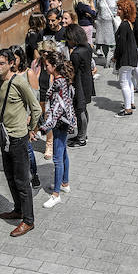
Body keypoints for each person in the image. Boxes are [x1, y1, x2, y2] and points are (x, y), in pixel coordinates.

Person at [0, 48, 42, 237]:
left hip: (18, 138)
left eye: (2, 63)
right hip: (4, 137)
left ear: (12, 63)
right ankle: (18, 209)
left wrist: (31, 130)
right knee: (10, 176)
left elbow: (35, 108)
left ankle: (28, 221)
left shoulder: (19, 81)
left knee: (22, 180)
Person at [36, 50, 76, 209]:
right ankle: (65, 183)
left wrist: (42, 130)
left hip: (60, 124)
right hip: (64, 122)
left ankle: (56, 195)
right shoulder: (64, 80)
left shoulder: (59, 83)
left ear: (54, 66)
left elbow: (56, 110)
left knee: (57, 159)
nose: (45, 68)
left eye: (47, 65)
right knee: (63, 152)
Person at [11, 44, 42, 189]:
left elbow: (35, 97)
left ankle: (33, 174)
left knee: (27, 148)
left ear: (21, 58)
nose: (12, 62)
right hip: (11, 118)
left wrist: (31, 118)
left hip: (25, 118)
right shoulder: (7, 74)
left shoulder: (28, 73)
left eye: (15, 59)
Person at [63, 24, 94, 148]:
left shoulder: (76, 53)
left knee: (79, 110)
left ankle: (81, 138)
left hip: (79, 84)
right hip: (87, 81)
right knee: (83, 108)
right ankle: (83, 134)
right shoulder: (87, 47)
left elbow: (73, 71)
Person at [110, 0, 138, 117]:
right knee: (129, 80)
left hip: (125, 58)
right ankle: (130, 103)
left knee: (124, 82)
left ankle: (127, 109)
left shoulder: (124, 25)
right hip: (132, 56)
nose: (118, 10)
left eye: (120, 8)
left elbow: (120, 45)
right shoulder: (129, 24)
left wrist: (115, 57)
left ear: (125, 11)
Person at [30, 39, 58, 160]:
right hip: (36, 97)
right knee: (35, 119)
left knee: (48, 122)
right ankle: (32, 136)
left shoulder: (56, 64)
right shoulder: (35, 63)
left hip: (49, 98)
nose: (45, 54)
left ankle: (49, 146)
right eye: (43, 51)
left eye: (47, 52)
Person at [94, 0, 121, 66]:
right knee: (103, 42)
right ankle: (107, 59)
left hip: (113, 22)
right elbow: (97, 9)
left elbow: (121, 7)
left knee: (113, 43)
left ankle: (113, 58)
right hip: (101, 22)